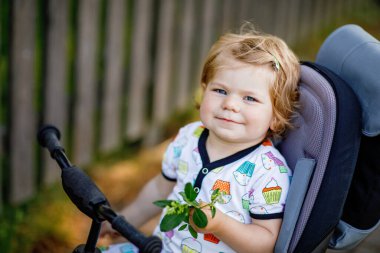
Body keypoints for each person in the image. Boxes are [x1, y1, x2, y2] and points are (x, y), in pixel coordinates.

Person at [100, 25, 300, 253]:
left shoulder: (267, 173)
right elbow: (159, 189)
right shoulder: (189, 137)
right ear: (203, 91)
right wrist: (123, 222)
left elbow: (265, 243)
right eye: (221, 91)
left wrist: (220, 225)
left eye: (250, 98)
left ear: (276, 116)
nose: (230, 104)